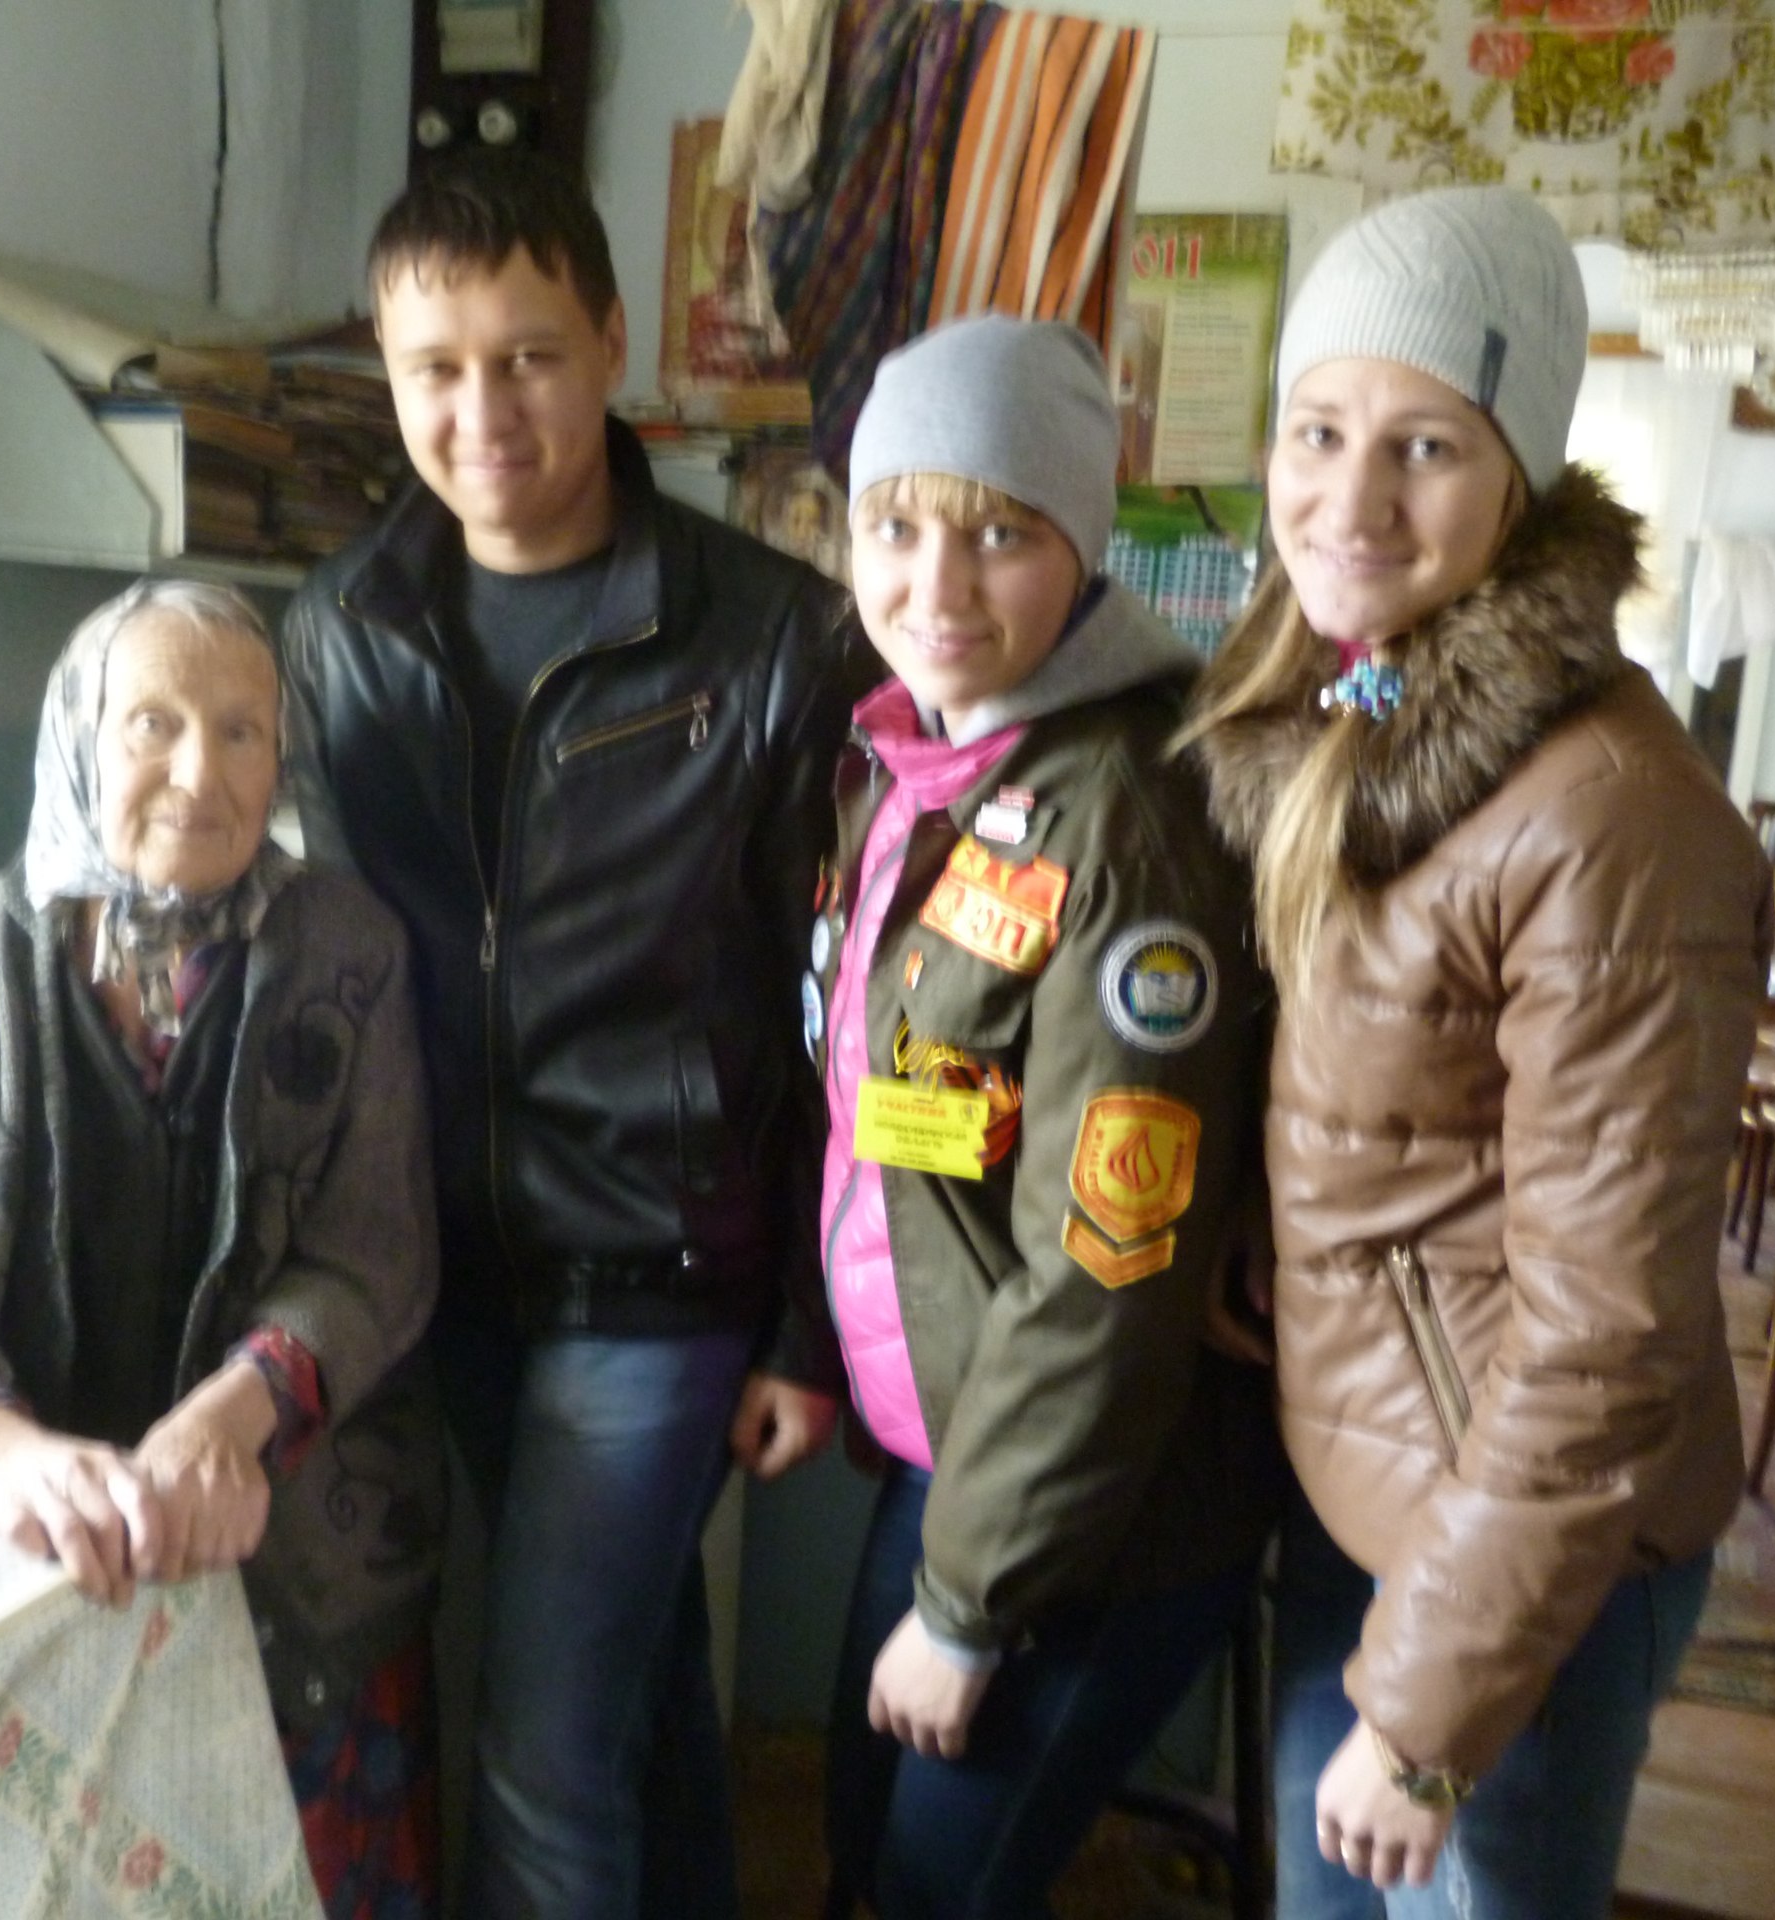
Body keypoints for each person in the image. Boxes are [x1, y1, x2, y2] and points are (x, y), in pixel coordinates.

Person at [279, 150, 861, 1920]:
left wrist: (806, 1326)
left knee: (538, 1758)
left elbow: (843, 1021)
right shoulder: (343, 633)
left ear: (612, 343)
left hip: (660, 1271)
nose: (483, 415)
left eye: (528, 357)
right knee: (639, 1699)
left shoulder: (770, 639)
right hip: (452, 1274)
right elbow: (333, 965)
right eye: (435, 369)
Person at [1180, 187, 1772, 1919]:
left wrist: (1428, 1715)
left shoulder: (1608, 816)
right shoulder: (1359, 702)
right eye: (1318, 431)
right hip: (1376, 1498)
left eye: (1425, 445)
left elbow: (1606, 1330)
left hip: (1526, 1567)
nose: (1350, 500)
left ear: (1523, 477)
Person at [0, 579, 448, 1919]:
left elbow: (377, 1250)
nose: (203, 774)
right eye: (155, 724)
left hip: (302, 1557)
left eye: (242, 732)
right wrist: (4, 1452)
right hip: (36, 1580)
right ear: (77, 737)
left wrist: (230, 1419)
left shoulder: (348, 953)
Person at [808, 315, 1284, 1920]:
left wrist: (965, 1610)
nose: (936, 585)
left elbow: (1106, 1272)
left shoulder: (1124, 811)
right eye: (895, 525)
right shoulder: (917, 760)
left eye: (1000, 533)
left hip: (1097, 1514)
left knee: (932, 1893)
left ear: (1083, 547)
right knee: (863, 1849)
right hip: (954, 1456)